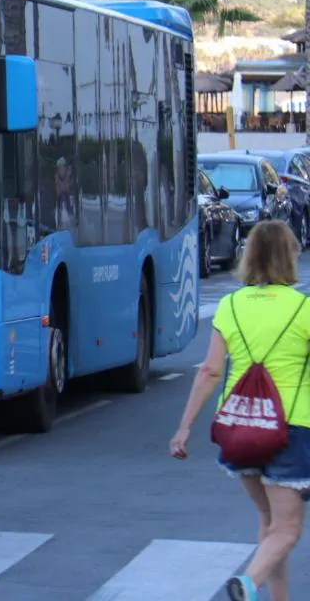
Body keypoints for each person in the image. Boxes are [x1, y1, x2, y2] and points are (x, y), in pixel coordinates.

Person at [169, 219, 310, 601]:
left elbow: (211, 370)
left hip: (239, 430)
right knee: (287, 530)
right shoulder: (304, 309)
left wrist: (184, 429)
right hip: (291, 429)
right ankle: (247, 585)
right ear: (289, 257)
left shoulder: (230, 305)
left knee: (269, 523)